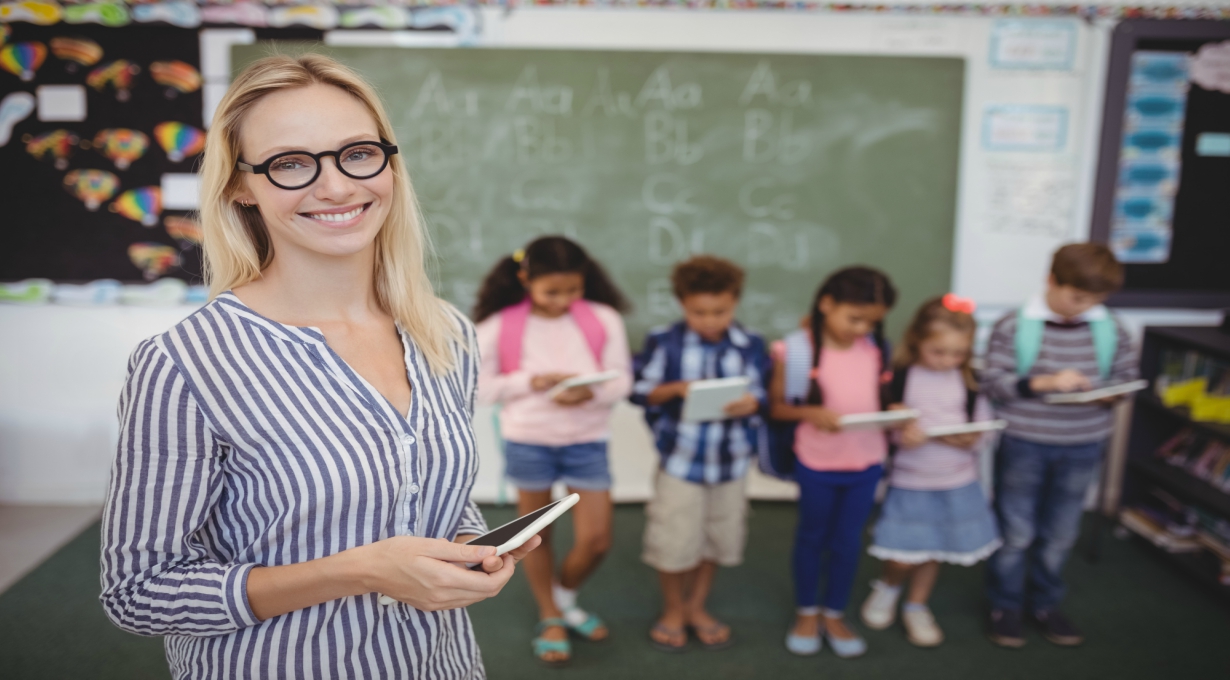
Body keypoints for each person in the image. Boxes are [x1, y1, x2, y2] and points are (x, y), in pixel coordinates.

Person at [99, 54, 537, 680]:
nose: (335, 187)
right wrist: (361, 570)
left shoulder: (446, 335)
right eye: (291, 163)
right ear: (240, 187)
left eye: (357, 152)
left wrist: (465, 549)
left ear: (389, 161)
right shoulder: (185, 363)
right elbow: (138, 593)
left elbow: (435, 505)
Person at [473, 235, 633, 667]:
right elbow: (482, 388)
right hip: (528, 440)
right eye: (552, 291)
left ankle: (563, 598)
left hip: (588, 440)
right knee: (535, 534)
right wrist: (532, 381)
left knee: (597, 539)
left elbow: (621, 380)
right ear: (525, 278)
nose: (563, 301)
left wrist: (588, 394)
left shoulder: (603, 318)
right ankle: (550, 615)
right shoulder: (498, 326)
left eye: (573, 290)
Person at [982, 243, 1138, 648]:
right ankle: (1006, 605)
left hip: (1084, 444)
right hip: (1025, 443)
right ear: (1052, 281)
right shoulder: (1013, 326)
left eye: (1096, 300)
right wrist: (1043, 383)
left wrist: (1109, 393)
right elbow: (993, 382)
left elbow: (1125, 376)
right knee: (1016, 531)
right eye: (1077, 297)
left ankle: (1045, 604)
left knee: (1061, 532)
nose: (1084, 307)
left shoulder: (1112, 328)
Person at [631, 255, 769, 653]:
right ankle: (673, 607)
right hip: (681, 461)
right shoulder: (664, 340)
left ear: (735, 303)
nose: (710, 320)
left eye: (720, 311)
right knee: (674, 540)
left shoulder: (751, 343)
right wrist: (677, 389)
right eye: (699, 312)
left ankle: (696, 605)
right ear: (681, 304)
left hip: (731, 462)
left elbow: (760, 394)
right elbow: (641, 392)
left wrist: (750, 404)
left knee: (717, 538)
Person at [771, 266, 898, 659]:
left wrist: (898, 411)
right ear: (826, 304)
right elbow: (775, 408)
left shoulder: (876, 349)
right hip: (817, 464)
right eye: (853, 318)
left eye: (871, 322)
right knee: (812, 537)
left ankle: (834, 613)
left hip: (867, 462)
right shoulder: (793, 351)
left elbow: (883, 398)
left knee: (847, 541)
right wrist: (810, 413)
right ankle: (807, 611)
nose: (860, 328)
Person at [860, 294, 1001, 647]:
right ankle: (889, 586)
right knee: (902, 553)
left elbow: (981, 430)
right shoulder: (901, 378)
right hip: (910, 482)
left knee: (934, 548)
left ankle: (916, 604)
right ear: (918, 340)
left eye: (957, 353)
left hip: (957, 481)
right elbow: (885, 429)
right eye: (938, 351)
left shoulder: (970, 383)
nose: (947, 361)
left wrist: (966, 439)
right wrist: (901, 432)